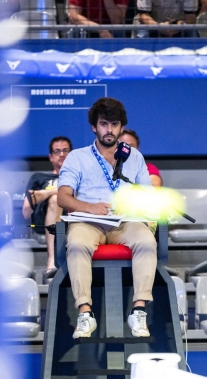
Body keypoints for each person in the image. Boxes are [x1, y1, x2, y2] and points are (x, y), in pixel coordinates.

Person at [57, 97, 157, 339]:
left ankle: (139, 311)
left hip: (124, 221)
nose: (109, 130)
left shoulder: (133, 157)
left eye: (114, 124)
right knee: (78, 244)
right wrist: (89, 207)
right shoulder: (77, 157)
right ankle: (85, 313)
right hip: (87, 221)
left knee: (146, 242)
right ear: (94, 126)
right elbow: (62, 197)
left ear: (121, 127)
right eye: (104, 124)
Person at [22, 136, 73, 283]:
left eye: (65, 151)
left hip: (72, 219)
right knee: (56, 200)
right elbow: (26, 211)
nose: (62, 154)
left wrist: (46, 193)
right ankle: (52, 260)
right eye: (57, 151)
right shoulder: (39, 177)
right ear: (50, 157)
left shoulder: (79, 177)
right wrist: (55, 193)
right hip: (45, 220)